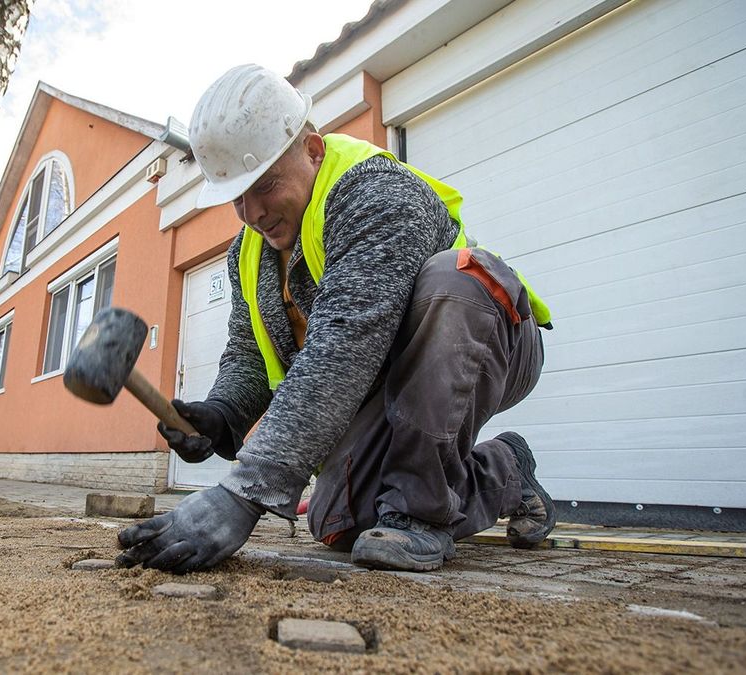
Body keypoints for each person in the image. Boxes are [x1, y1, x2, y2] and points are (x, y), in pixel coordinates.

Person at [116, 64, 556, 574]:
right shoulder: (250, 253)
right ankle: (508, 470)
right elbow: (249, 352)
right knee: (342, 522)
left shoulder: (376, 193)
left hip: (487, 333)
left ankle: (421, 517)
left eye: (266, 184)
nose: (253, 211)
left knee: (450, 280)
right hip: (386, 374)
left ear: (313, 150)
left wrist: (244, 493)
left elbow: (346, 340)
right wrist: (223, 414)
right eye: (237, 196)